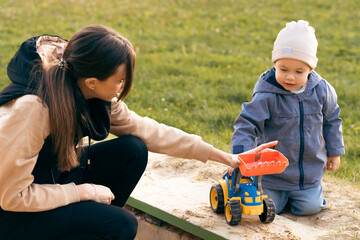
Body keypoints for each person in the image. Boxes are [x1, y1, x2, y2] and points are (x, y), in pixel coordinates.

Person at [0, 25, 277, 240]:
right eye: (120, 80)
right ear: (93, 82)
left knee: (132, 150)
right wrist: (83, 192)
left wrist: (226, 158)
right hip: (12, 213)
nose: (122, 86)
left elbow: (149, 131)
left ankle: (90, 225)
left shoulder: (86, 90)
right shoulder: (33, 110)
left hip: (50, 178)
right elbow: (13, 197)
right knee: (122, 225)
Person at [231, 20, 345, 216]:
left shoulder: (322, 91)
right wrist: (239, 156)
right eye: (283, 69)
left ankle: (305, 197)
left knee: (310, 208)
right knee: (267, 207)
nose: (290, 77)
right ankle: (281, 197)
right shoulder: (267, 95)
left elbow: (332, 120)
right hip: (272, 174)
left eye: (299, 71)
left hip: (307, 174)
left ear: (311, 69)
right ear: (274, 64)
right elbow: (247, 124)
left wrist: (334, 152)